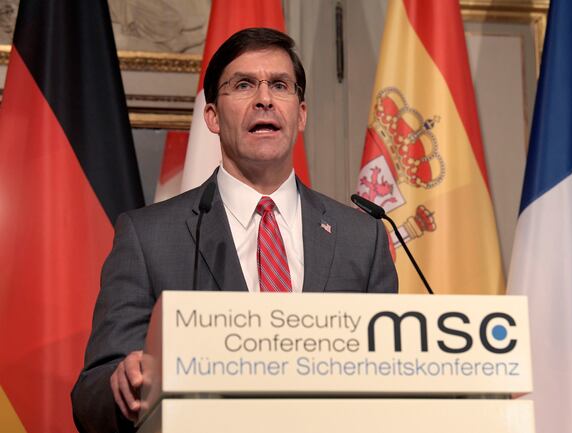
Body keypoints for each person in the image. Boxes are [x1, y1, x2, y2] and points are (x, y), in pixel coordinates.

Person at [71, 27, 397, 433]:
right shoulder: (149, 236)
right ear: (211, 116)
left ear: (301, 113)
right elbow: (90, 399)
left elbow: (393, 382)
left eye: (280, 85)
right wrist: (124, 385)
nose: (264, 98)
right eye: (243, 84)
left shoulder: (361, 238)